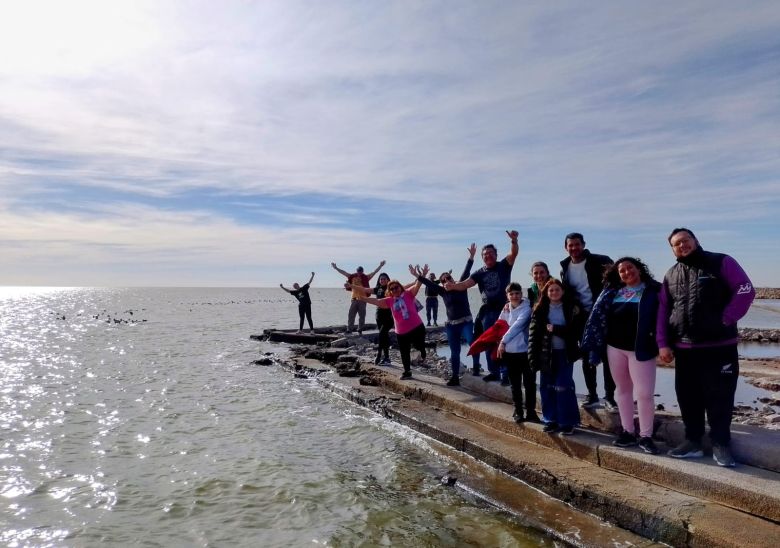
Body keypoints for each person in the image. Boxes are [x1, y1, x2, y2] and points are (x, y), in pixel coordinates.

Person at [657, 228, 755, 467]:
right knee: (688, 397)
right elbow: (663, 310)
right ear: (672, 249)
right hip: (685, 349)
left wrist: (725, 319)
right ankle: (693, 441)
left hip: (719, 346)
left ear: (695, 241)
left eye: (685, 240)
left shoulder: (721, 261)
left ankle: (721, 445)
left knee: (719, 397)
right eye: (676, 244)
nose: (682, 245)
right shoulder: (671, 274)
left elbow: (745, 289)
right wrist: (663, 343)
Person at [582, 258, 661, 454]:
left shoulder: (654, 290)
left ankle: (646, 436)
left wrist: (664, 344)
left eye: (630, 268)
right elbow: (599, 317)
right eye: (622, 270)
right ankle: (627, 431)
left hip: (641, 349)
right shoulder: (612, 291)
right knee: (623, 391)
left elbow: (664, 317)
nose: (627, 272)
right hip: (615, 348)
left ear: (639, 269)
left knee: (644, 394)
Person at [444, 230, 519, 382]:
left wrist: (514, 241)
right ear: (482, 257)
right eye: (485, 254)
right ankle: (494, 371)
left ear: (496, 255)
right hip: (488, 311)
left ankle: (506, 373)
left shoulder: (503, 265)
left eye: (491, 253)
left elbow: (513, 254)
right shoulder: (479, 273)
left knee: (505, 340)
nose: (488, 256)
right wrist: (452, 286)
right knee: (488, 341)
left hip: (505, 309)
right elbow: (465, 284)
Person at [560, 232, 616, 409]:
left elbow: (617, 281)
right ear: (566, 247)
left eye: (577, 244)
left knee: (608, 357)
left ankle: (610, 397)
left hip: (602, 315)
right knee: (586, 356)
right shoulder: (565, 267)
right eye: (571, 245)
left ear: (583, 245)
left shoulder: (600, 261)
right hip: (581, 317)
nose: (574, 248)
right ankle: (592, 394)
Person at [415, 244, 480, 386]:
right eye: (443, 280)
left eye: (448, 278)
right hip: (451, 325)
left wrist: (471, 256)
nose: (446, 281)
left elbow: (467, 270)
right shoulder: (442, 291)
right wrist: (418, 275)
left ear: (452, 278)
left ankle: (476, 367)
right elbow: (428, 283)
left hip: (466, 321)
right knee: (454, 351)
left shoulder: (461, 285)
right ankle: (455, 377)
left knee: (472, 342)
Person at [528, 279, 583, 435]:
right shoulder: (539, 310)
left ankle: (567, 422)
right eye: (551, 290)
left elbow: (575, 332)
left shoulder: (573, 308)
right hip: (546, 354)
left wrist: (556, 329)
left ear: (563, 291)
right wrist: (532, 358)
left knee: (564, 386)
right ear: (546, 292)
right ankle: (550, 420)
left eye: (557, 289)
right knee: (547, 387)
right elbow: (533, 335)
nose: (554, 292)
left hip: (565, 353)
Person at [360, 266, 427, 380]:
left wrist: (422, 275)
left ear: (400, 287)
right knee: (404, 352)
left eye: (396, 287)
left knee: (418, 345)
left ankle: (422, 349)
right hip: (401, 332)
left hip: (417, 327)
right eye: (392, 289)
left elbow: (418, 285)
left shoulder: (408, 293)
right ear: (389, 291)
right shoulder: (389, 301)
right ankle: (407, 372)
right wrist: (362, 298)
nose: (395, 290)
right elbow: (376, 301)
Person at [496, 282, 538, 423]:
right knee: (515, 384)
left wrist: (502, 341)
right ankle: (518, 411)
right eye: (511, 294)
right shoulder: (506, 308)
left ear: (522, 294)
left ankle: (531, 412)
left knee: (529, 384)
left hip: (526, 352)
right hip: (510, 353)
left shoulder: (526, 309)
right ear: (507, 296)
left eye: (517, 293)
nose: (515, 296)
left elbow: (516, 326)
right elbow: (499, 324)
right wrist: (496, 341)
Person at [331, 260, 385, 335]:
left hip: (363, 299)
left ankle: (360, 329)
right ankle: (349, 329)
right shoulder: (352, 277)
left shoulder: (366, 277)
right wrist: (336, 268)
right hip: (354, 299)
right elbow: (344, 272)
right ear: (356, 271)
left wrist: (380, 266)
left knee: (362, 315)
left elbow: (374, 272)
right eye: (358, 271)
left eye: (361, 271)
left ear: (362, 271)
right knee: (351, 315)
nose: (359, 272)